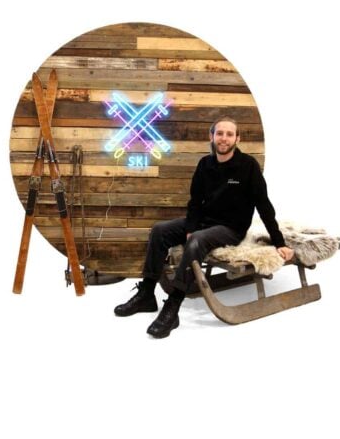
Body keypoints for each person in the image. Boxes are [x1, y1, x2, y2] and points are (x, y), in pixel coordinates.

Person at [114, 116, 294, 338]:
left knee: (196, 240)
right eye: (220, 133)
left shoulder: (248, 166)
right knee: (160, 230)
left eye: (229, 134)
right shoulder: (204, 164)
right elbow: (195, 203)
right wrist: (190, 227)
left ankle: (173, 304)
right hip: (203, 222)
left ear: (237, 139)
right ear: (212, 136)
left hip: (230, 228)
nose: (224, 138)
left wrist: (279, 242)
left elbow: (264, 206)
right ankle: (147, 293)